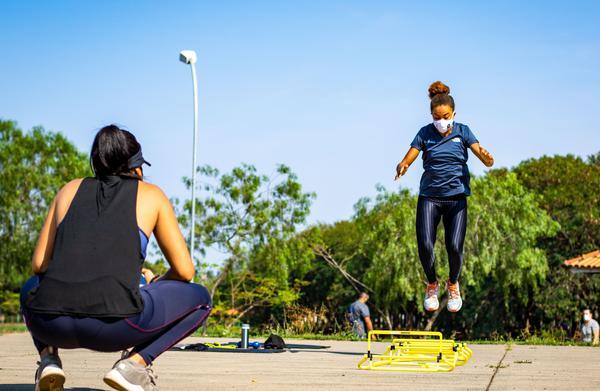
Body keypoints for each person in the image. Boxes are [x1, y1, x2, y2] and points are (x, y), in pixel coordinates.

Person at [20, 125, 212, 391]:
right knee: (201, 299)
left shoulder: (69, 190)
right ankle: (134, 365)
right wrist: (154, 284)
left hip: (51, 325)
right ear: (136, 167)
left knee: (31, 286)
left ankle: (48, 359)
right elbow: (184, 271)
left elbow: (39, 264)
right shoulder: (151, 194)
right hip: (116, 328)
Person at [394, 81, 494, 313]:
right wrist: (403, 165)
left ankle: (453, 284)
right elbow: (409, 157)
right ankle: (431, 284)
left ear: (453, 113)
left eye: (446, 116)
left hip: (456, 199)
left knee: (454, 247)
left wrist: (488, 159)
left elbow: (482, 154)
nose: (441, 122)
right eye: (436, 117)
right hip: (429, 197)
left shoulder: (463, 131)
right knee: (425, 245)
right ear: (431, 116)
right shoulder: (424, 133)